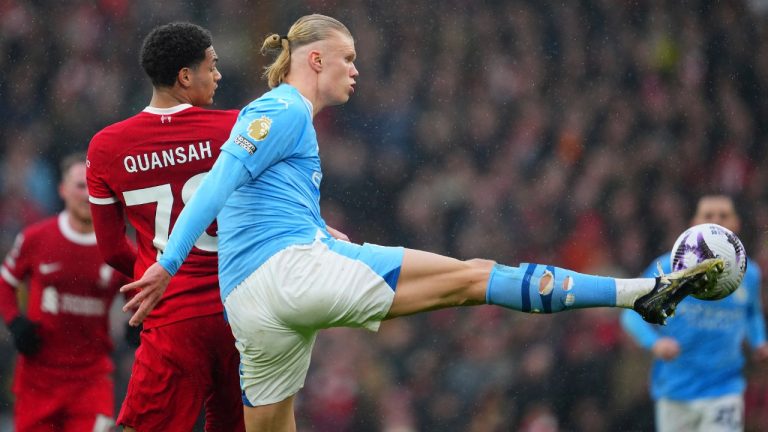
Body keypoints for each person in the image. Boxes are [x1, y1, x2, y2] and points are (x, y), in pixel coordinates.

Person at [122, 14, 725, 432]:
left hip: (251, 305)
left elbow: (249, 203)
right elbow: (224, 178)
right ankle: (639, 294)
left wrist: (322, 233)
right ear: (315, 58)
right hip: (285, 274)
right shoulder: (282, 107)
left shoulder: (287, 125)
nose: (355, 71)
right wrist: (168, 265)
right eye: (348, 59)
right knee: (474, 276)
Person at [86, 22, 245, 432]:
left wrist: (150, 280)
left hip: (173, 318)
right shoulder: (234, 129)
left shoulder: (106, 147)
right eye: (213, 66)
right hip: (241, 312)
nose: (219, 75)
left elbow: (110, 249)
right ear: (185, 76)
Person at [0, 153, 129, 432]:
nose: (86, 195)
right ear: (62, 190)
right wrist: (14, 321)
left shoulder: (118, 247)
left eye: (93, 187)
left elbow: (140, 290)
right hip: (39, 378)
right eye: (79, 186)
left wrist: (137, 324)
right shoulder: (36, 238)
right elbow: (5, 282)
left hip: (92, 380)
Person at [621, 194, 768, 432]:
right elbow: (630, 313)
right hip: (676, 389)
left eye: (723, 215)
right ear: (694, 224)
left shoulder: (749, 274)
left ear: (736, 224)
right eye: (709, 216)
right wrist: (655, 344)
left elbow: (751, 313)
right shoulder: (667, 268)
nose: (716, 221)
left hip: (724, 389)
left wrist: (759, 341)